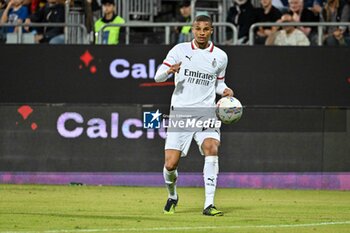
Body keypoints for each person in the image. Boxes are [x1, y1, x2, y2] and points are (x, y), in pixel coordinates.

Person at [154, 15, 234, 216]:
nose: (201, 32)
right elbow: (157, 76)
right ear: (192, 29)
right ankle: (172, 196)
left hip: (206, 113)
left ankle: (209, 204)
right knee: (170, 164)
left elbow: (218, 83)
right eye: (198, 28)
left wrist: (224, 91)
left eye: (205, 29)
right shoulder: (179, 50)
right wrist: (170, 71)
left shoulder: (221, 56)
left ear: (211, 31)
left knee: (211, 147)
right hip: (180, 113)